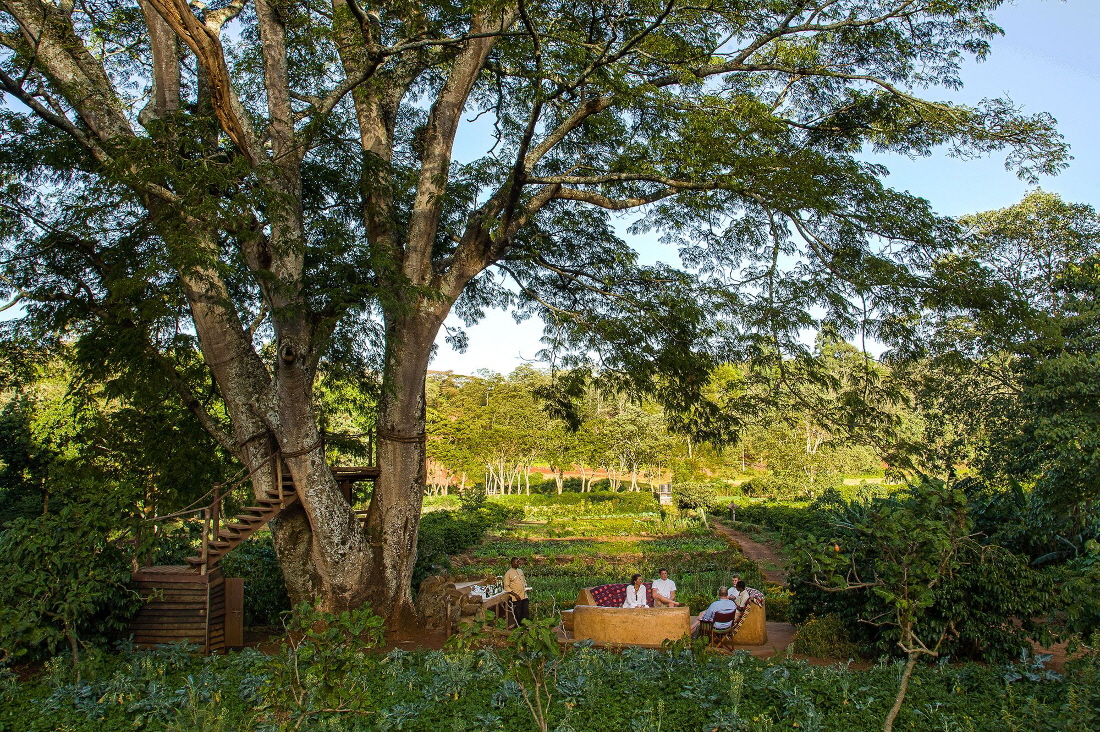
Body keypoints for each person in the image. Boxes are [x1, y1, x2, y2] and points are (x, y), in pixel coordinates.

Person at [504, 557, 529, 625]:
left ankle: (526, 627)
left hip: (524, 596)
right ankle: (519, 628)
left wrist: (526, 587)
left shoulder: (520, 571)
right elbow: (506, 586)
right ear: (512, 563)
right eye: (516, 562)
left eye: (518, 562)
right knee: (518, 614)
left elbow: (524, 581)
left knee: (526, 612)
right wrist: (515, 595)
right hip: (516, 597)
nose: (518, 563)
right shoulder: (508, 573)